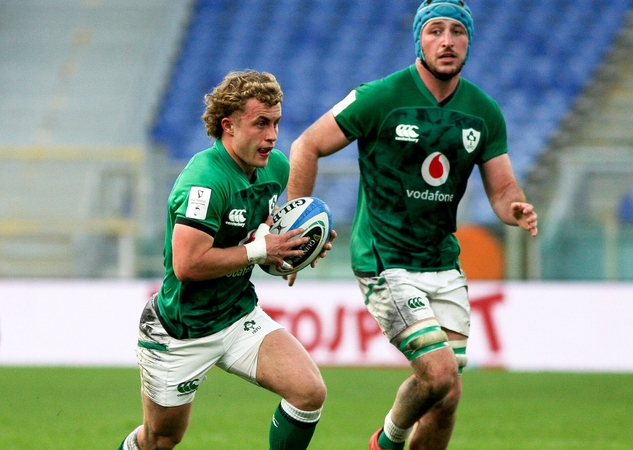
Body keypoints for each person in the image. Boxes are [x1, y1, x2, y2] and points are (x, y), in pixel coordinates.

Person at [287, 1, 538, 449]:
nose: (447, 41)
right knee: (438, 372)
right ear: (419, 39)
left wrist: (515, 208)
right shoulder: (379, 96)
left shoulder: (484, 112)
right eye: (435, 31)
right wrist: (292, 225)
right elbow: (307, 145)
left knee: (446, 395)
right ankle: (387, 442)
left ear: (469, 41)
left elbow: (503, 190)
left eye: (457, 32)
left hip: (442, 262)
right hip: (386, 261)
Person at [119, 70, 332, 450]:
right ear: (228, 126)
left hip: (237, 315)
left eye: (276, 123)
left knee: (308, 392)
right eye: (261, 123)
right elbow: (188, 265)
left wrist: (298, 246)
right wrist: (262, 251)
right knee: (161, 439)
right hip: (181, 329)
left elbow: (266, 221)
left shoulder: (275, 167)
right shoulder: (204, 180)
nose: (272, 135)